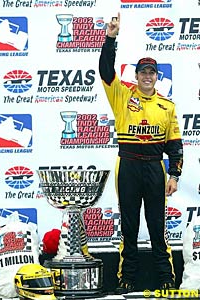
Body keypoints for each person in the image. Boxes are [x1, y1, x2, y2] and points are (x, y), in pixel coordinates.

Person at [99, 13, 183, 294]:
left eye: (151, 73)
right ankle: (127, 276)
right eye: (142, 72)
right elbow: (105, 70)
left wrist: (175, 175)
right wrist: (111, 37)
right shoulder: (122, 95)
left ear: (156, 77)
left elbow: (175, 145)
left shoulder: (167, 106)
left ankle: (166, 276)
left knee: (158, 226)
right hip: (129, 165)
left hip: (155, 168)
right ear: (135, 76)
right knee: (130, 225)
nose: (147, 77)